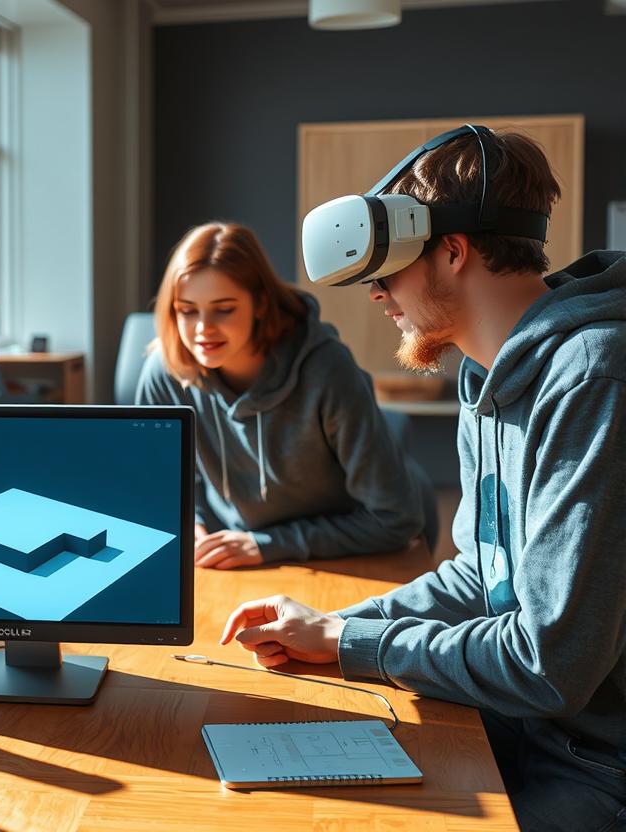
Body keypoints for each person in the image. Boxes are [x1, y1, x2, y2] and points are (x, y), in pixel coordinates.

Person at [221, 129, 626, 830]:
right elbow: (481, 576)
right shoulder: (484, 374)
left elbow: (549, 662)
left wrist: (351, 647)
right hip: (519, 721)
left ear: (452, 249)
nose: (377, 294)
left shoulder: (593, 373)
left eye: (389, 270)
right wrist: (333, 626)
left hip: (596, 759)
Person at [135, 221, 425, 569]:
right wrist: (187, 524)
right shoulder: (164, 372)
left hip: (344, 550)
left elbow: (396, 519)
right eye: (187, 310)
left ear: (259, 303)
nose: (202, 329)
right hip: (244, 557)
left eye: (224, 308)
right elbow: (161, 486)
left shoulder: (327, 369)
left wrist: (269, 544)